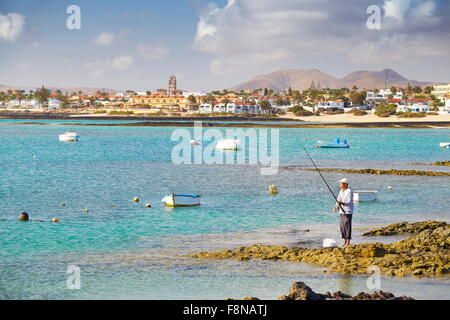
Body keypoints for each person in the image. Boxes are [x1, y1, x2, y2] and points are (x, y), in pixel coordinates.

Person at [332, 178, 354, 247]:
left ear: (345, 184)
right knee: (342, 227)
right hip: (341, 211)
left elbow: (349, 202)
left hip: (348, 211)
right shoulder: (341, 191)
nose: (340, 184)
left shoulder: (349, 191)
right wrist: (336, 206)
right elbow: (338, 199)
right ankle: (344, 242)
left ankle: (348, 243)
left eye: (341, 183)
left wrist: (342, 203)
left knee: (347, 226)